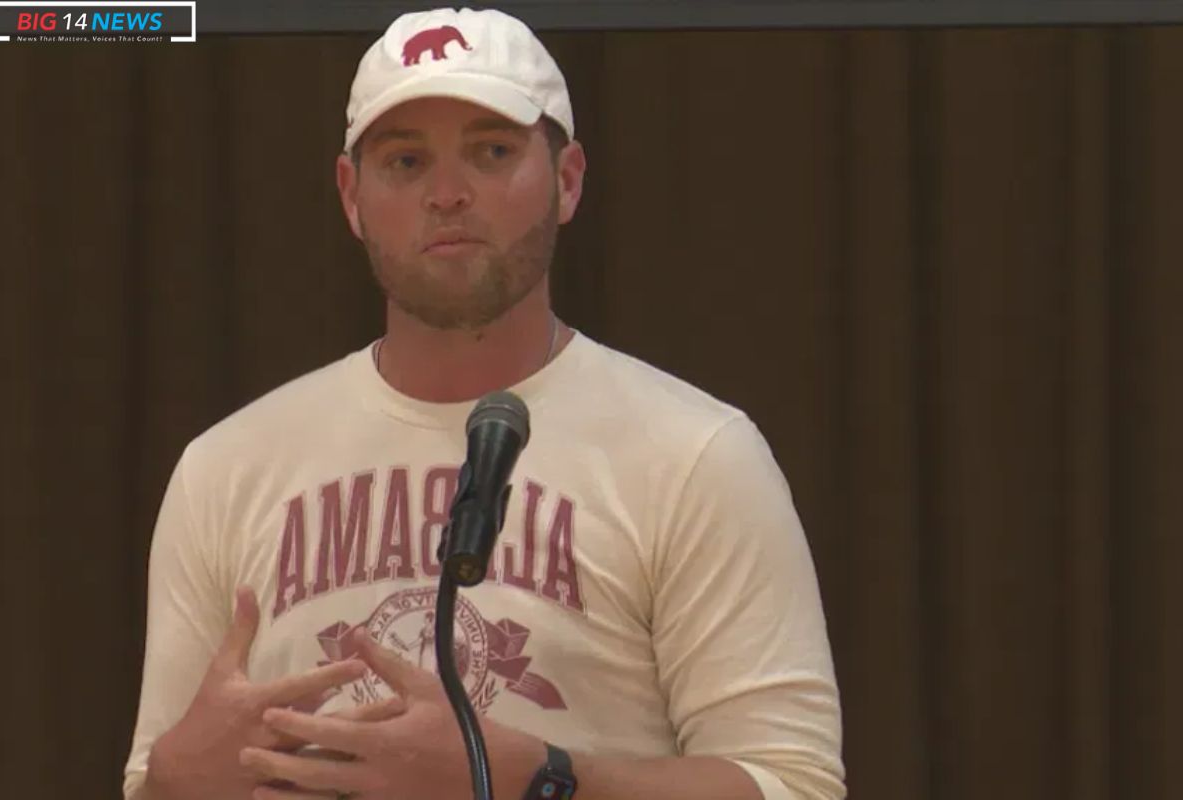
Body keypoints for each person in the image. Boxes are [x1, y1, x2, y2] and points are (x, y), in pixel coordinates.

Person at [124, 7, 846, 800]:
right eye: (404, 162)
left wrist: (533, 779)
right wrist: (174, 781)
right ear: (350, 196)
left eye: (491, 152)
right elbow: (160, 778)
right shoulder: (226, 468)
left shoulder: (698, 455)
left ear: (567, 179)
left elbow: (792, 784)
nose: (447, 194)